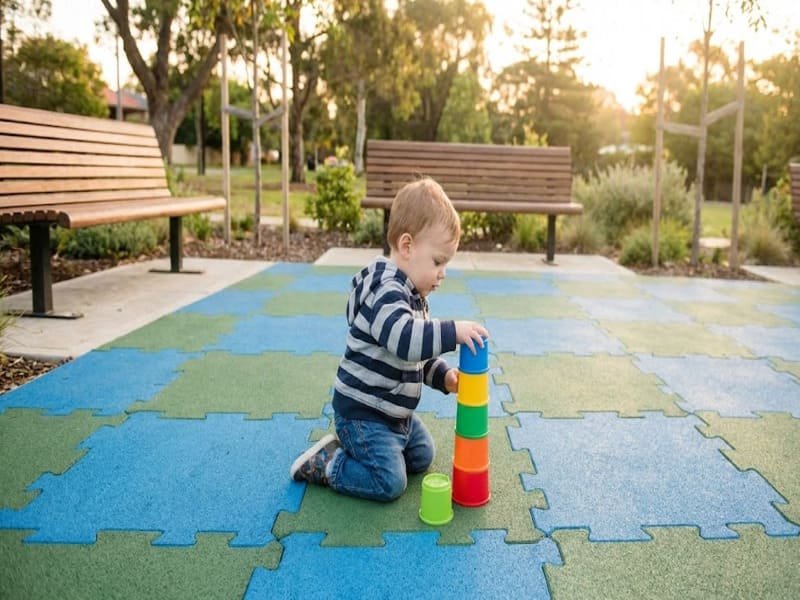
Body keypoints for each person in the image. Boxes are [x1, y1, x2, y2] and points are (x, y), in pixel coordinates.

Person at [289, 177, 489, 501]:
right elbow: (407, 341)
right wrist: (453, 332)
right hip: (363, 414)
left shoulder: (413, 295)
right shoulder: (385, 292)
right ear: (407, 246)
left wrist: (444, 376)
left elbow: (415, 358)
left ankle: (366, 449)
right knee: (390, 482)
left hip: (394, 415)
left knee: (423, 456)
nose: (443, 273)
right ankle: (329, 462)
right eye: (438, 261)